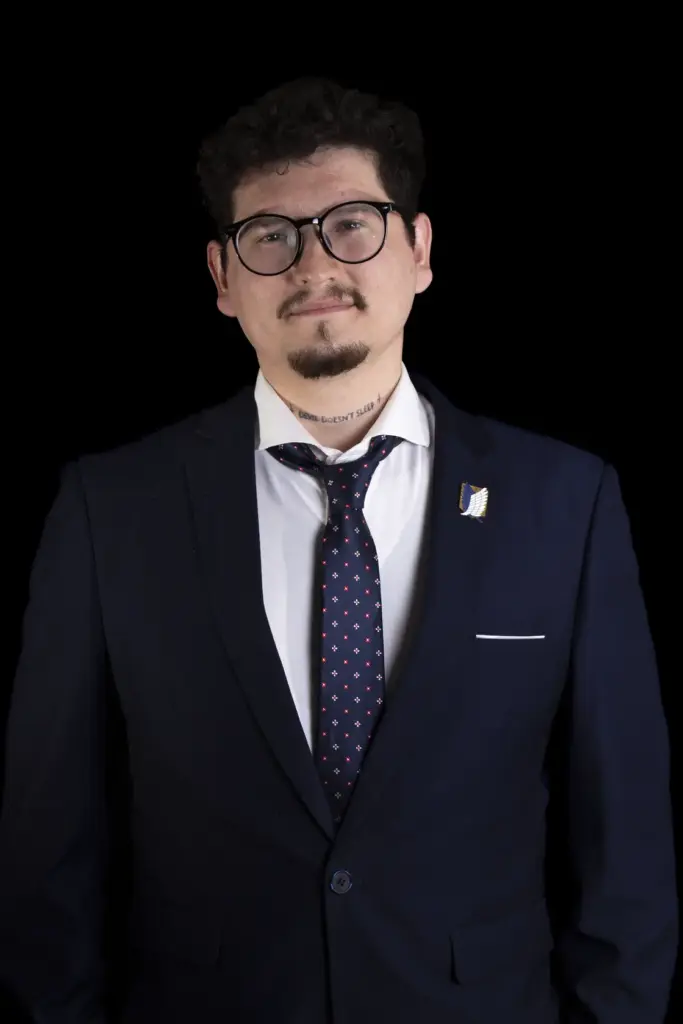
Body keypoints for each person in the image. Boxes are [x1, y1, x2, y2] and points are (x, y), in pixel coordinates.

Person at [0, 76, 677, 1024]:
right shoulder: (110, 509)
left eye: (351, 224)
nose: (313, 264)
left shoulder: (564, 502)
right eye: (270, 236)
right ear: (222, 277)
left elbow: (625, 832)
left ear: (420, 251)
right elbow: (49, 839)